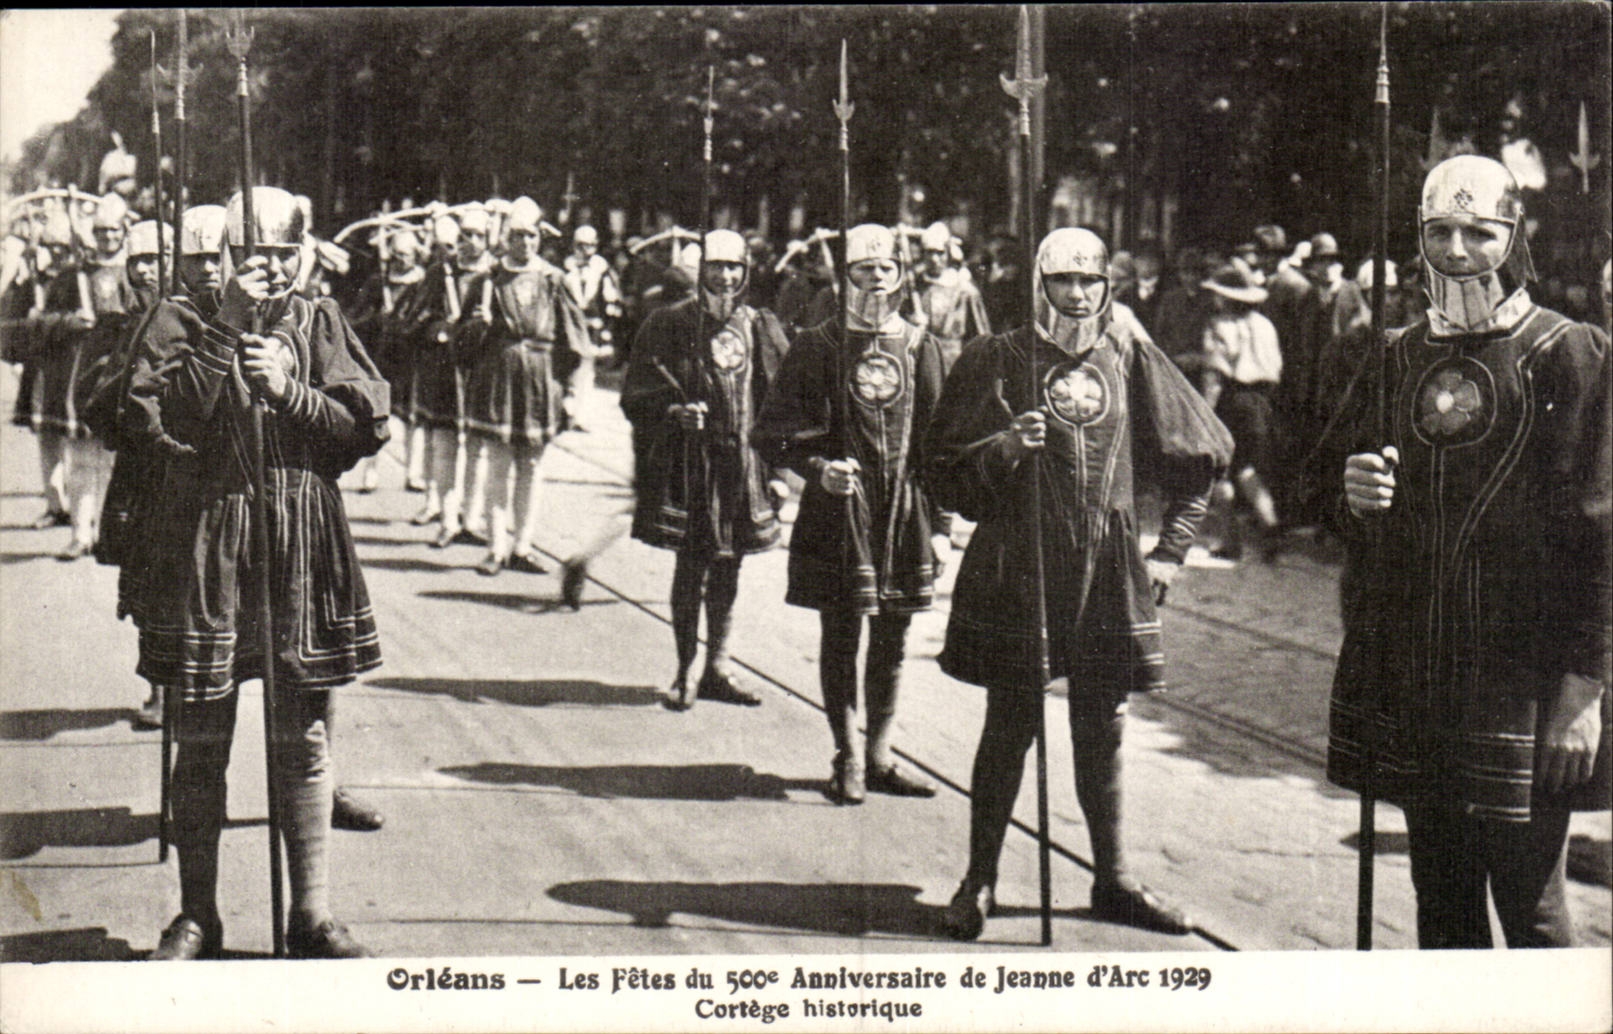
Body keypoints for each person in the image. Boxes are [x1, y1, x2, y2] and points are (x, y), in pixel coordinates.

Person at [1331, 155, 1610, 950]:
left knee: (1531, 908)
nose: (1456, 250)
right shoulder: (1396, 353)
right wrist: (1356, 497)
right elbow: (1346, 505)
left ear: (1511, 238)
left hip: (1525, 680)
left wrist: (1584, 690)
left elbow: (1600, 537)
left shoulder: (1569, 352)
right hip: (1420, 673)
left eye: (1477, 233)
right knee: (1439, 899)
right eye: (1438, 232)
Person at [925, 227, 1232, 941]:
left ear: (1106, 289)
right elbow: (939, 473)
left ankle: (1113, 878)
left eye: (1089, 282)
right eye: (1061, 280)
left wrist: (1170, 554)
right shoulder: (994, 358)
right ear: (1037, 285)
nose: (1076, 294)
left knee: (1102, 727)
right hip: (1019, 565)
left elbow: (1201, 457)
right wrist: (1003, 446)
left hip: (1106, 569)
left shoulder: (1127, 355)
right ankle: (980, 879)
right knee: (1010, 725)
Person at [122, 187, 388, 959]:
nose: (267, 266)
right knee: (201, 737)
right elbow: (161, 421)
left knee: (301, 736)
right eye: (251, 252)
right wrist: (229, 328)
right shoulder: (181, 317)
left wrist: (290, 390)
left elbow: (361, 428)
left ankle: (311, 914)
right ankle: (197, 914)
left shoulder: (318, 319)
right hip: (207, 536)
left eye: (280, 252)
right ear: (226, 255)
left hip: (299, 539)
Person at [756, 224, 944, 803]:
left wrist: (940, 528)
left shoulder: (920, 345)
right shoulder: (818, 344)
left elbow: (939, 445)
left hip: (902, 511)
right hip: (839, 511)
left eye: (886, 268)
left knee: (893, 636)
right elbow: (772, 433)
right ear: (845, 277)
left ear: (901, 276)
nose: (876, 278)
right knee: (841, 634)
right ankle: (848, 753)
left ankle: (882, 753)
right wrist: (817, 468)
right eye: (863, 269)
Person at [621, 229, 790, 710]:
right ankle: (684, 670)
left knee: (729, 565)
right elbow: (637, 392)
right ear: (701, 270)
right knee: (691, 566)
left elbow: (777, 400)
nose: (726, 276)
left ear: (745, 273)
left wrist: (776, 468)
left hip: (741, 464)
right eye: (716, 266)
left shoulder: (757, 325)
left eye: (734, 267)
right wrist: (675, 411)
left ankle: (719, 665)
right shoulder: (669, 323)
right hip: (693, 465)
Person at [460, 197, 587, 576]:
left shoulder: (554, 280)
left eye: (530, 236)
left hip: (539, 383)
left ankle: (524, 545)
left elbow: (574, 342)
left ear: (540, 238)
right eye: (517, 235)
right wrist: (475, 327)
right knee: (498, 463)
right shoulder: (488, 280)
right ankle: (496, 546)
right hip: (498, 379)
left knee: (531, 464)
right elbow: (460, 344)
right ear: (506, 238)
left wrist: (570, 393)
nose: (524, 243)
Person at [1195, 262, 1283, 560]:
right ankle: (1270, 523)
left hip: (1232, 401)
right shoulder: (1265, 325)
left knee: (1220, 472)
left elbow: (1215, 373)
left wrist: (1205, 414)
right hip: (1263, 401)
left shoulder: (1219, 326)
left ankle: (1230, 540)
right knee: (1246, 468)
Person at [560, 223, 623, 432]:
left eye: (590, 246)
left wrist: (606, 326)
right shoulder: (564, 268)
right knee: (567, 368)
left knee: (587, 371)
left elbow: (611, 300)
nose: (585, 251)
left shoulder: (602, 270)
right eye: (580, 246)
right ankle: (564, 411)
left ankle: (581, 415)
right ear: (573, 246)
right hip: (568, 327)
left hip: (591, 328)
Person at [909, 220, 990, 369]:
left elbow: (981, 336)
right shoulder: (915, 286)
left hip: (954, 361)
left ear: (948, 253)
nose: (934, 259)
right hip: (920, 359)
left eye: (940, 253)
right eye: (929, 252)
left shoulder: (965, 291)